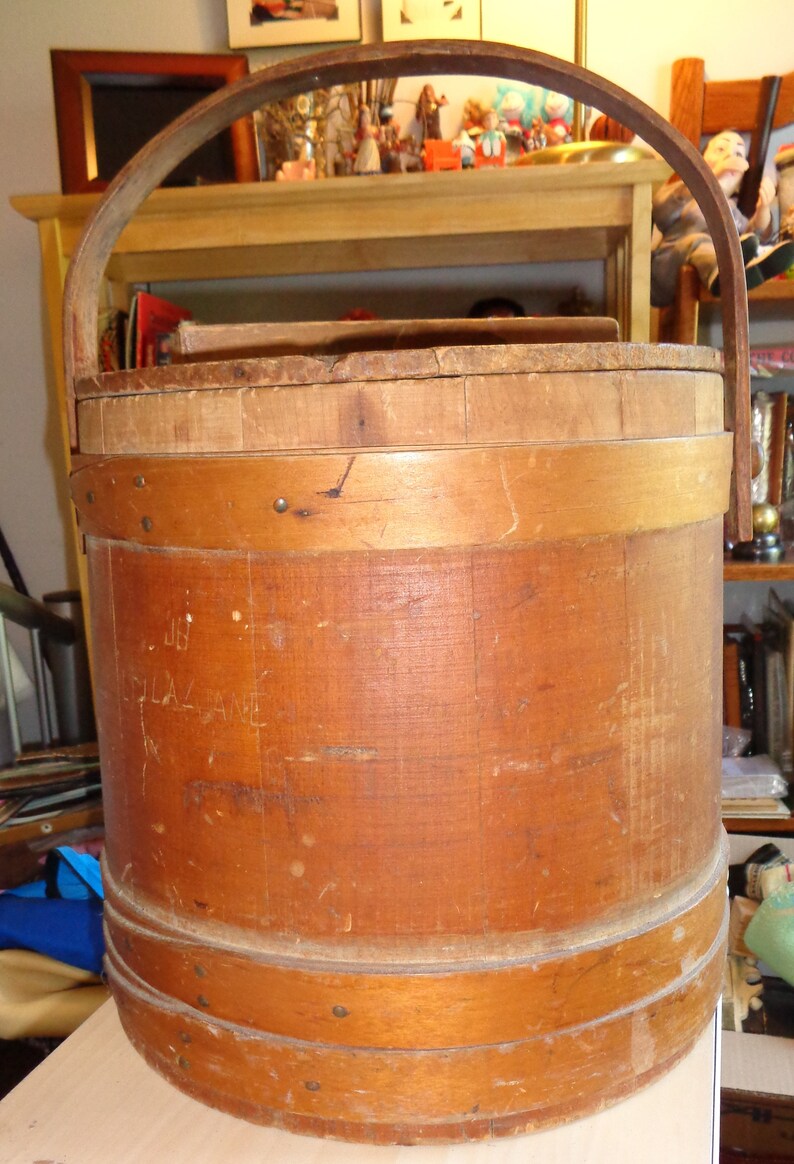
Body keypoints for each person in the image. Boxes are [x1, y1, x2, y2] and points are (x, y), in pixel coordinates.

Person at [651, 128, 794, 306]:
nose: (730, 156)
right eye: (720, 150)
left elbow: (752, 234)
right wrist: (709, 179)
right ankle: (728, 269)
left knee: (742, 243)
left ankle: (745, 268)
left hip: (708, 272)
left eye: (738, 153)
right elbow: (660, 209)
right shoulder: (686, 192)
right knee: (697, 241)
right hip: (667, 271)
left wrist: (763, 209)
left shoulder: (731, 210)